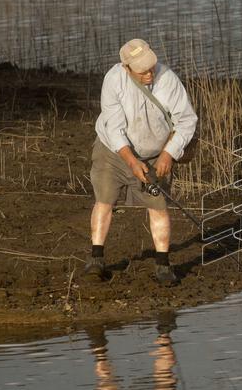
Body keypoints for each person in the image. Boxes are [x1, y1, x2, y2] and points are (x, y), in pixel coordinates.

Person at [83, 39, 198, 285]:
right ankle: (96, 259)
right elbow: (114, 128)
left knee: (158, 206)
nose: (149, 73)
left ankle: (163, 265)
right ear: (126, 68)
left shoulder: (168, 79)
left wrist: (168, 154)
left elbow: (187, 121)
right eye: (142, 70)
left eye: (151, 67)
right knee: (104, 200)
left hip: (156, 152)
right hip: (112, 151)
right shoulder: (113, 80)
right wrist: (132, 162)